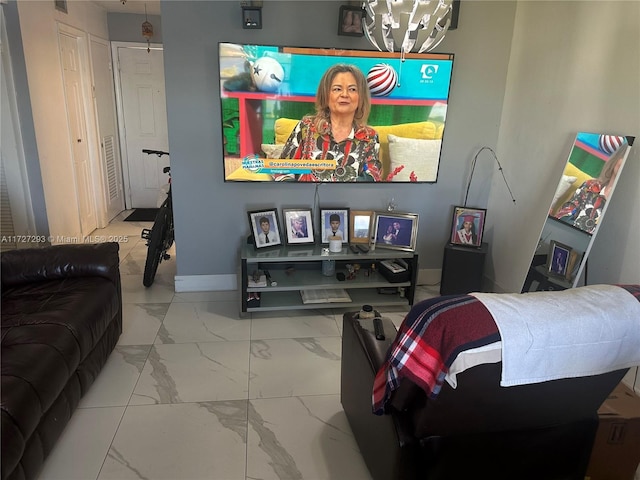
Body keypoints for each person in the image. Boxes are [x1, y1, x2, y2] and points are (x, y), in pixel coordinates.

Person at [276, 64, 382, 182]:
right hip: (307, 199)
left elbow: (373, 178)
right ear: (326, 95)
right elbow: (282, 172)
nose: (345, 95)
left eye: (352, 89)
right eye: (337, 89)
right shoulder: (306, 128)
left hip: (350, 199)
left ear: (361, 97)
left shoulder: (369, 137)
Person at [554, 144, 626, 234]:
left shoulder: (626, 207)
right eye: (625, 157)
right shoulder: (590, 186)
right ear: (617, 159)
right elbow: (564, 215)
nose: (626, 163)